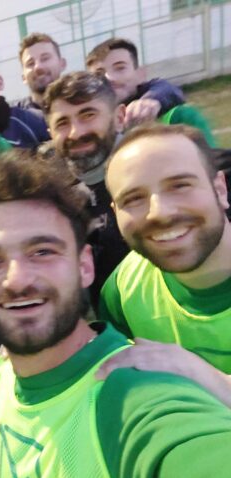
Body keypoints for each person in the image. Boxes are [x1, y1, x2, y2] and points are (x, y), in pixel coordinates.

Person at [0, 150, 231, 478]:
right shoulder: (1, 378)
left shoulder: (138, 403)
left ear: (84, 266)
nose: (17, 280)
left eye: (42, 252)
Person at [99, 124, 231, 400]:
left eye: (180, 185)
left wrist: (202, 375)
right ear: (115, 213)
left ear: (220, 189)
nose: (160, 212)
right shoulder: (122, 291)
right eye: (133, 199)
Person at [42, 71, 130, 301]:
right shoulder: (56, 195)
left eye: (88, 115)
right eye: (62, 123)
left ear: (119, 118)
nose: (76, 132)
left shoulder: (156, 175)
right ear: (51, 133)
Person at [85, 37, 187, 128]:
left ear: (140, 74)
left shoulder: (149, 92)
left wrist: (149, 101)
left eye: (120, 68)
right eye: (99, 73)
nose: (109, 77)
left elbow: (170, 89)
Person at [16, 32, 66, 111]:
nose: (38, 67)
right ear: (24, 78)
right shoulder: (15, 116)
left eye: (45, 58)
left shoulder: (82, 104)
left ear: (62, 64)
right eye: (30, 63)